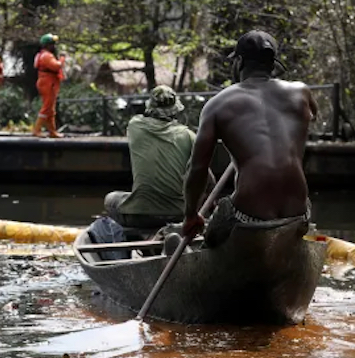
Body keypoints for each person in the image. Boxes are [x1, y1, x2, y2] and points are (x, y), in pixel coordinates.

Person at [181, 30, 317, 249]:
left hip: (249, 217)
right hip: (297, 213)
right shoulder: (302, 92)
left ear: (239, 62)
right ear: (273, 64)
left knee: (210, 239)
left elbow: (197, 168)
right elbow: (313, 115)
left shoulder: (217, 104)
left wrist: (191, 215)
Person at [104, 85, 214, 234]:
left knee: (110, 199)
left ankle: (135, 240)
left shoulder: (134, 126)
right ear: (175, 110)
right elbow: (209, 183)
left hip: (140, 215)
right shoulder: (189, 136)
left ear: (150, 106)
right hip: (179, 214)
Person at [31, 33, 65, 138]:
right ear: (48, 45)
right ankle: (37, 129)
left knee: (50, 108)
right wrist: (62, 59)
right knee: (47, 107)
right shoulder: (46, 56)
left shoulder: (41, 55)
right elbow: (56, 66)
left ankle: (52, 131)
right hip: (47, 82)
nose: (54, 46)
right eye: (52, 44)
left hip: (47, 81)